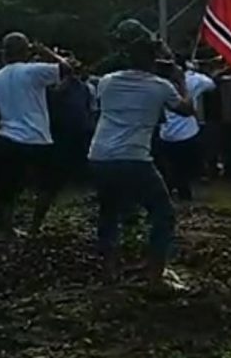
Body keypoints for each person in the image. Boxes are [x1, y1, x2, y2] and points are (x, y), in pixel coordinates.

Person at [88, 20, 193, 286]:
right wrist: (180, 79)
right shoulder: (161, 86)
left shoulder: (107, 82)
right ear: (153, 60)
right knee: (163, 213)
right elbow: (186, 109)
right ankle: (155, 275)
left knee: (108, 212)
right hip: (134, 157)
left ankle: (109, 271)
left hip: (100, 156)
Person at [0, 33, 70, 236]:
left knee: (8, 188)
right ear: (26, 51)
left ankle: (5, 227)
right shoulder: (34, 71)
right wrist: (45, 51)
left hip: (7, 137)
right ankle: (34, 227)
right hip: (37, 137)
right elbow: (68, 68)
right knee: (48, 186)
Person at [159, 61, 216, 201]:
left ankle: (173, 190)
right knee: (183, 168)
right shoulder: (192, 80)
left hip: (166, 133)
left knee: (171, 166)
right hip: (187, 132)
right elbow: (211, 84)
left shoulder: (158, 84)